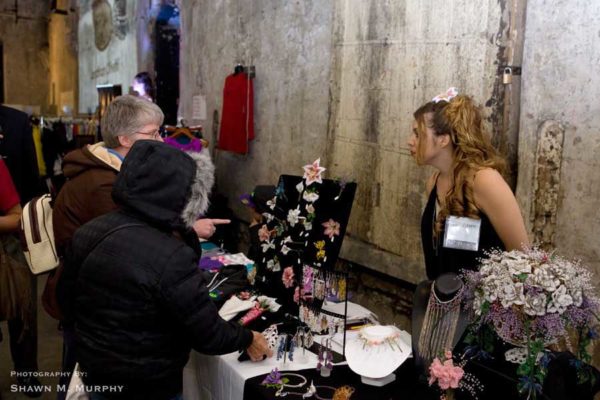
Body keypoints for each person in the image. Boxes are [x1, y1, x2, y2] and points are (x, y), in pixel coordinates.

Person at [58, 140, 271, 400]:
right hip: (148, 386)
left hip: (96, 375)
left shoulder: (89, 231)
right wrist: (247, 338)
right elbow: (208, 334)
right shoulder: (171, 255)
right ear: (178, 192)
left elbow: (65, 301)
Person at [408, 89, 529, 280]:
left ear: (443, 139)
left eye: (417, 134)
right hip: (442, 296)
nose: (410, 142)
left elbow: (522, 257)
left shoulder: (485, 181)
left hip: (482, 297)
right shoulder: (434, 183)